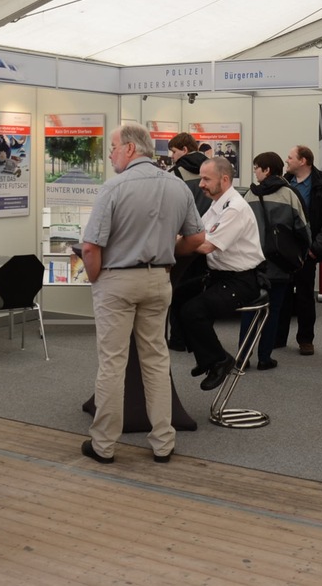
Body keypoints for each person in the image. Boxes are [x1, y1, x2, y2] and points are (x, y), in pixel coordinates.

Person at [78, 123, 204, 465]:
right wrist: (167, 249)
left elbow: (90, 247)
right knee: (157, 361)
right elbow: (195, 239)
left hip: (116, 281)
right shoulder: (178, 187)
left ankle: (104, 444)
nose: (111, 154)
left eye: (114, 147)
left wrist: (96, 280)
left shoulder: (114, 188)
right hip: (159, 281)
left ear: (131, 149)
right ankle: (163, 442)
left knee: (112, 364)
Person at [173, 156, 265, 391]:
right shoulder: (217, 204)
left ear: (224, 179)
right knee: (176, 296)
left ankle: (220, 360)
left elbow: (204, 246)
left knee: (193, 312)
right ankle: (205, 358)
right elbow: (196, 234)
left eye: (206, 179)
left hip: (242, 281)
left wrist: (168, 243)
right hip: (218, 276)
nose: (200, 184)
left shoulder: (235, 208)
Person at [241, 152, 309, 369]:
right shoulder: (290, 195)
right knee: (273, 311)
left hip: (252, 264)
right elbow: (303, 230)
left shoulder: (249, 196)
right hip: (279, 264)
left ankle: (243, 357)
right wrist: (300, 257)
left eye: (256, 167)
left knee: (250, 310)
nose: (255, 171)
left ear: (267, 170)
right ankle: (264, 358)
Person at [283, 145, 322, 355]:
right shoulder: (284, 183)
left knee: (305, 296)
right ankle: (278, 338)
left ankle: (306, 340)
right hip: (284, 251)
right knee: (282, 294)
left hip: (308, 251)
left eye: (290, 157)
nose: (286, 160)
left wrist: (315, 249)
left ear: (303, 161)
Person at [166, 132, 211, 215]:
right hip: (209, 221)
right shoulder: (212, 168)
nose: (172, 156)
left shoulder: (174, 173)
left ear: (184, 150)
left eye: (174, 152)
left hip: (187, 224)